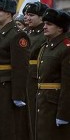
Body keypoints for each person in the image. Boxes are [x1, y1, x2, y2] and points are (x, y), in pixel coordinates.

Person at [0, 0, 30, 139]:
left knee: (6, 125)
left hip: (6, 87)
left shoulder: (17, 35)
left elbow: (20, 67)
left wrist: (18, 95)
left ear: (9, 14)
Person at [35, 8, 70, 139]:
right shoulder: (45, 47)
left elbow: (68, 85)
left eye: (49, 24)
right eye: (44, 24)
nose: (44, 27)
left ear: (60, 28)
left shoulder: (66, 48)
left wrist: (63, 114)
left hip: (55, 105)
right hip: (43, 102)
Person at [22, 1, 48, 136]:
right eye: (26, 14)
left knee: (34, 117)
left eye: (31, 15)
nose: (27, 17)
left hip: (35, 80)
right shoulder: (26, 33)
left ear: (42, 17)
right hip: (24, 79)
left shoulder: (45, 35)